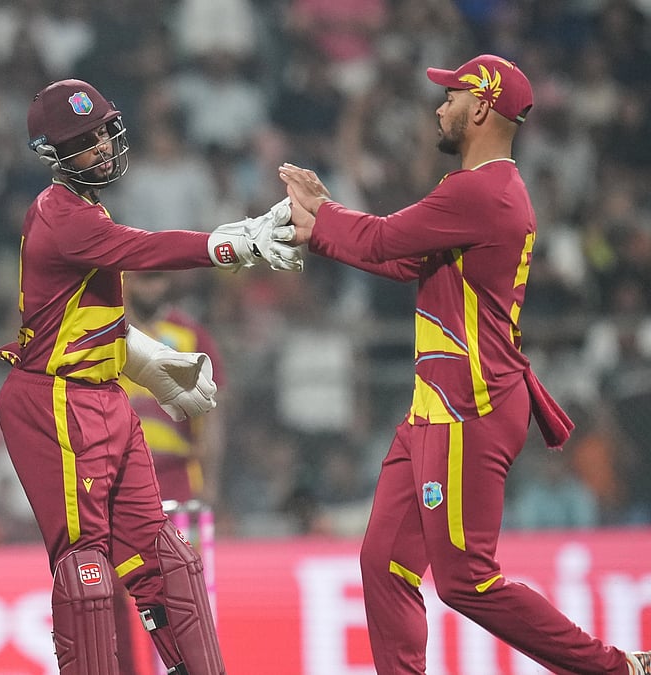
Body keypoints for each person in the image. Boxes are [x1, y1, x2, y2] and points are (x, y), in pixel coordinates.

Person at [278, 53, 651, 675]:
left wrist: (321, 213)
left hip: (468, 404)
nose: (439, 106)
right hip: (440, 403)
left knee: (467, 581)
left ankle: (617, 669)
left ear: (480, 107)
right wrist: (319, 228)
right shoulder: (489, 191)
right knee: (384, 563)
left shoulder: (479, 191)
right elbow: (403, 260)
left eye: (450, 96)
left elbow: (381, 240)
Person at [0, 77, 301, 675]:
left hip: (103, 396)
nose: (100, 148)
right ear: (53, 154)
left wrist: (141, 358)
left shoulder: (85, 208)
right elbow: (143, 250)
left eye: (102, 133)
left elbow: (77, 317)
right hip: (56, 402)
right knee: (87, 571)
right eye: (82, 142)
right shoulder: (59, 214)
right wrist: (233, 243)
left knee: (166, 558)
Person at [114, 270, 228, 673]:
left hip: (179, 479)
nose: (151, 287)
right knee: (119, 590)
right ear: (127, 282)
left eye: (157, 279)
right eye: (143, 279)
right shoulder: (108, 330)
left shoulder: (190, 335)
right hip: (118, 481)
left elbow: (211, 416)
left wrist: (210, 483)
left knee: (183, 588)